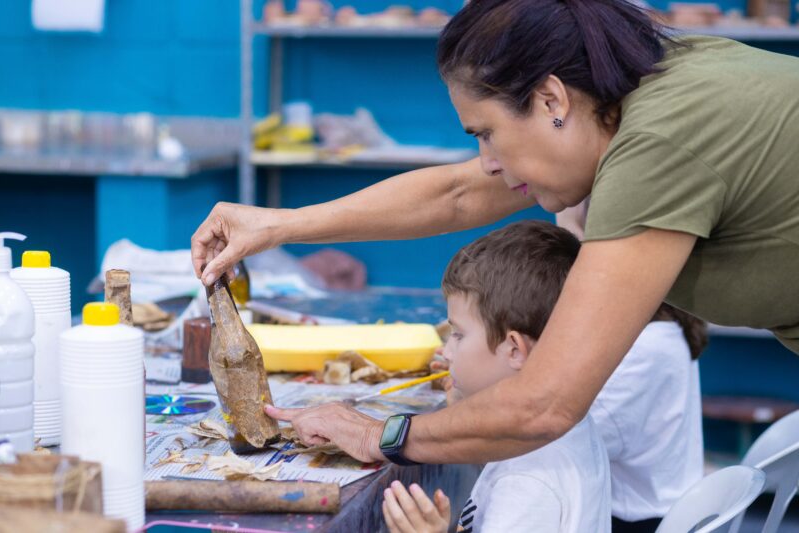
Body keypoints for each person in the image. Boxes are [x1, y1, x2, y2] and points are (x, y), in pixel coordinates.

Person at [192, 0, 799, 476]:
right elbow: (461, 192)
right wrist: (280, 225)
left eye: (485, 133)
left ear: (551, 98)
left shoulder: (660, 141)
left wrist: (380, 434)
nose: (484, 160)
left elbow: (545, 405)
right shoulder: (635, 88)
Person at [383, 220, 610, 533]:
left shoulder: (526, 483)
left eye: (458, 335)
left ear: (514, 349)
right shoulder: (566, 422)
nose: (446, 352)